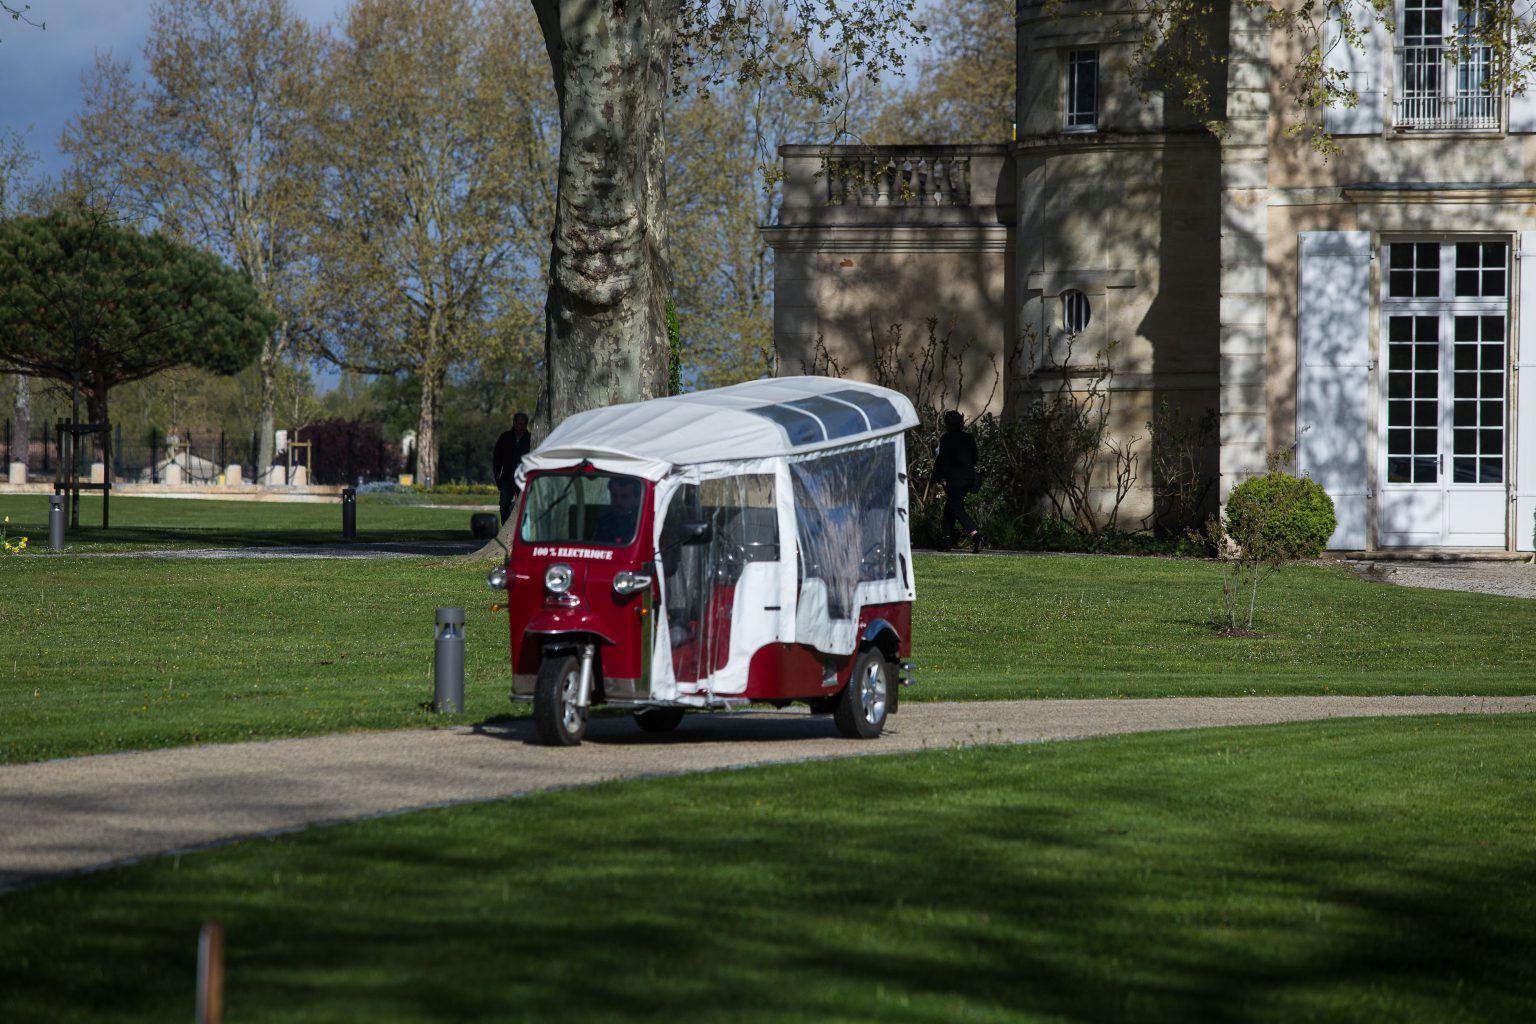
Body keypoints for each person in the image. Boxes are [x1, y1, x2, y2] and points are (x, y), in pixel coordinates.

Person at [933, 410, 982, 553]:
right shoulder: (969, 438)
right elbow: (975, 458)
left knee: (957, 509)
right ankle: (946, 541)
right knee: (949, 509)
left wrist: (939, 477)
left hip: (954, 480)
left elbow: (942, 460)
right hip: (968, 478)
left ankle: (976, 535)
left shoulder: (946, 439)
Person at [492, 412, 531, 524]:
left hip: (523, 478)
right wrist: (497, 472)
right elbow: (497, 456)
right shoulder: (505, 437)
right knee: (504, 503)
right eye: (519, 423)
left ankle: (522, 529)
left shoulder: (530, 438)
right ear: (514, 423)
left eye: (524, 423)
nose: (522, 426)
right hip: (507, 476)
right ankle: (505, 526)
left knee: (524, 505)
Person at [594, 475, 642, 544]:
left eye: (625, 497)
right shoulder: (603, 523)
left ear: (637, 500)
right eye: (614, 496)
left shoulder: (642, 523)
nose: (618, 502)